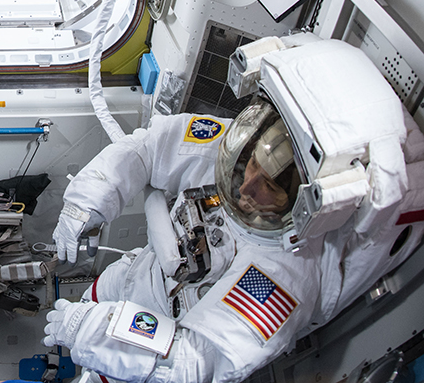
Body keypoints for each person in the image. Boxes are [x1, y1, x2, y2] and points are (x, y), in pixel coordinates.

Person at [43, 36, 424, 382]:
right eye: (253, 166)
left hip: (157, 331)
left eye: (270, 187)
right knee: (84, 309)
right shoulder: (237, 147)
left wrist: (96, 332)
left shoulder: (281, 276)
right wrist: (86, 203)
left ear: (305, 204)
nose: (246, 187)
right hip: (135, 275)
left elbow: (193, 362)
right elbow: (147, 149)